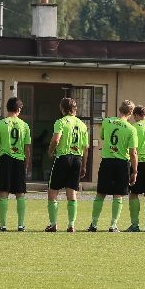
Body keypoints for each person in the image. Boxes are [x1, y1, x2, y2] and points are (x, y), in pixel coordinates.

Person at [88, 100, 138, 232]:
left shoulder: (107, 121)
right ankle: (113, 225)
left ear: (119, 109)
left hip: (107, 162)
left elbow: (103, 136)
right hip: (122, 164)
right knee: (118, 195)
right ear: (131, 113)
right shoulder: (131, 129)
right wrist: (135, 171)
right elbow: (133, 153)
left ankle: (93, 224)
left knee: (100, 194)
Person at [46, 96, 89, 233]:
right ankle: (71, 225)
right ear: (75, 109)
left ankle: (53, 224)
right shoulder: (82, 125)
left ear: (62, 108)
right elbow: (85, 148)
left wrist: (50, 151)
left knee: (53, 192)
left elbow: (56, 139)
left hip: (63, 158)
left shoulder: (61, 122)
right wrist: (84, 165)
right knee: (72, 193)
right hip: (77, 159)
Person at [0, 96, 31, 232]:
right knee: (20, 193)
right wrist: (26, 164)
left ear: (7, 108)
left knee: (4, 193)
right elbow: (27, 148)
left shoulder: (0, 124)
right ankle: (21, 225)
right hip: (19, 160)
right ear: (18, 109)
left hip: (5, 160)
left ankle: (3, 225)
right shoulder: (24, 125)